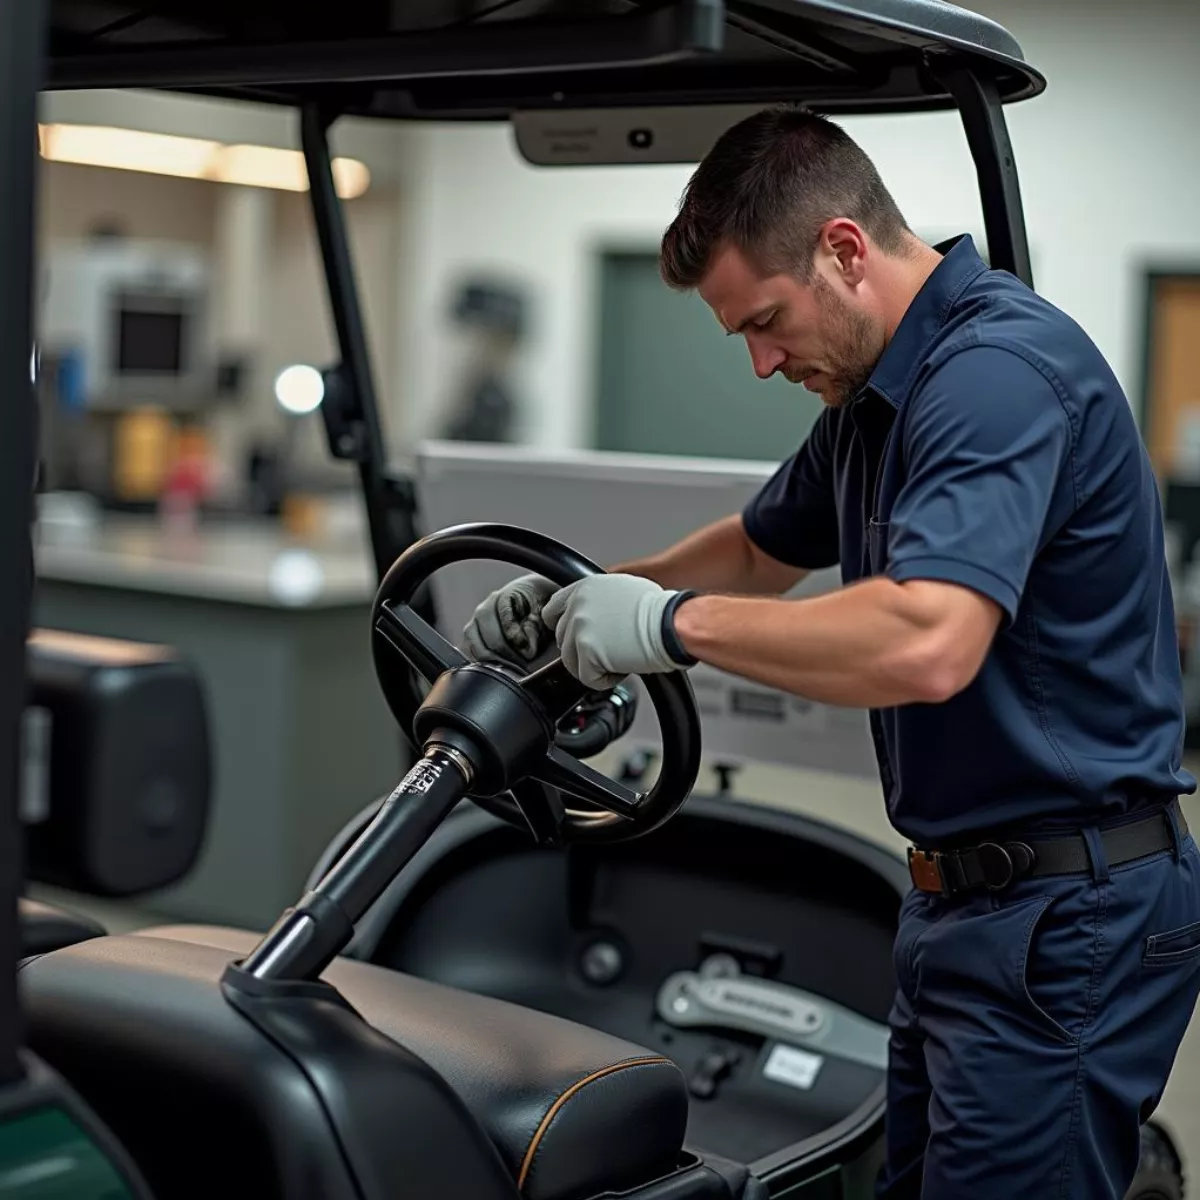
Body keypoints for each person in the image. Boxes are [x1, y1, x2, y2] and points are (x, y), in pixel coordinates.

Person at [463, 107, 1200, 1199]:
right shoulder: (874, 399)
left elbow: (930, 641)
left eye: (766, 321)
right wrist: (586, 597)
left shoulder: (994, 375)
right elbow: (758, 553)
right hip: (960, 905)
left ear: (844, 250)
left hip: (1066, 918)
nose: (762, 363)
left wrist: (660, 630)